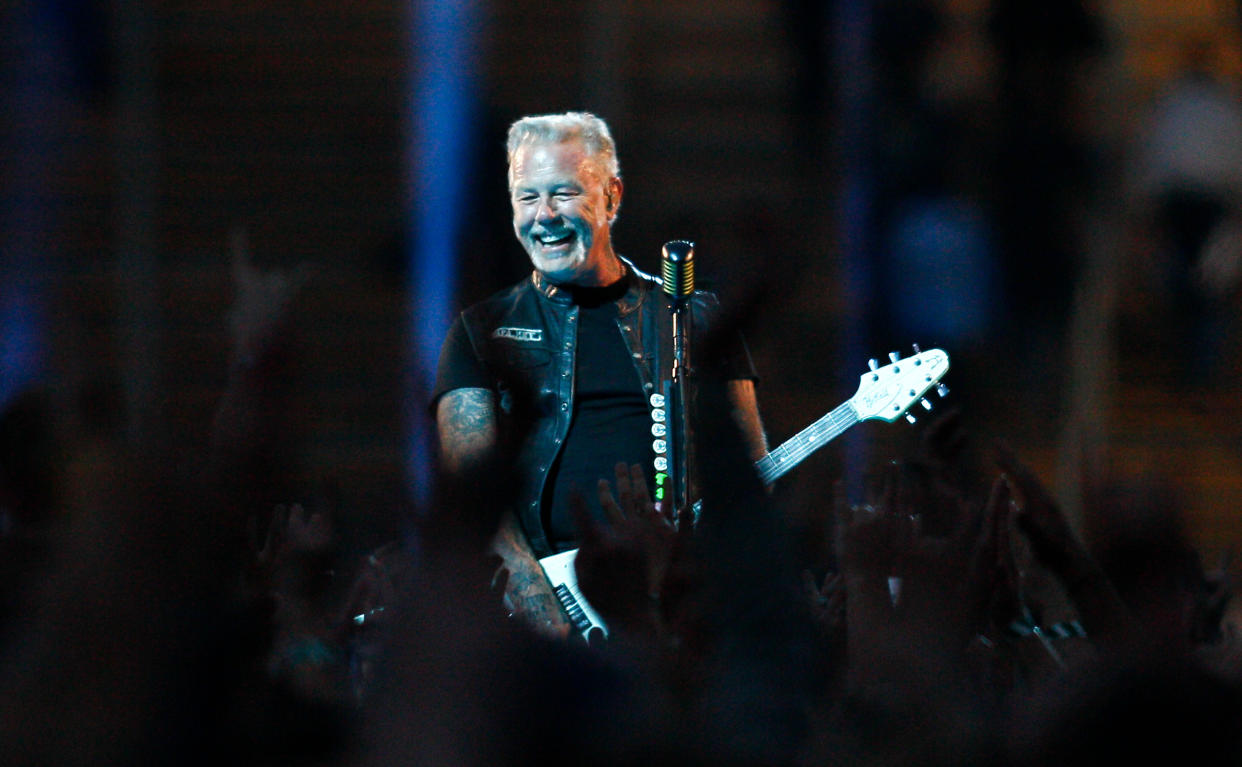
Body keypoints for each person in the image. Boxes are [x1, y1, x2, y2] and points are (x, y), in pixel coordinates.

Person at [431, 112, 768, 636]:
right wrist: (550, 620)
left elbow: (749, 478)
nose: (544, 215)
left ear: (612, 197)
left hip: (681, 614)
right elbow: (472, 494)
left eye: (563, 194)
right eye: (526, 197)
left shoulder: (697, 320)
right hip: (539, 631)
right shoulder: (481, 331)